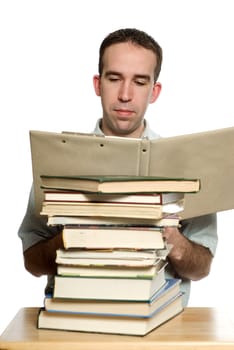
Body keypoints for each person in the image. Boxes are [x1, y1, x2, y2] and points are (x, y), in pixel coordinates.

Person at [18, 28, 218, 306]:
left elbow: (202, 267)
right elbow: (32, 262)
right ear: (98, 85)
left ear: (154, 91)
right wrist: (74, 233)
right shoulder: (59, 160)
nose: (125, 95)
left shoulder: (186, 164)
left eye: (139, 81)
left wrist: (169, 233)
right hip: (75, 317)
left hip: (161, 322)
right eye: (115, 79)